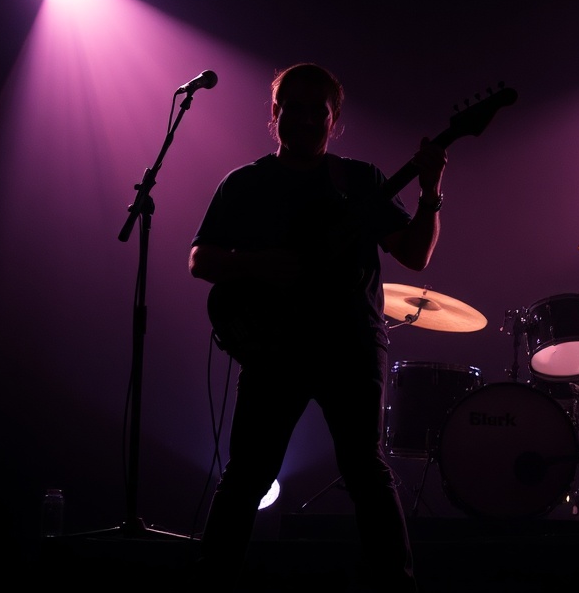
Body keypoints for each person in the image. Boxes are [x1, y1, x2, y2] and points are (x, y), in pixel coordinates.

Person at [189, 62, 446, 591]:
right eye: (295, 109)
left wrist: (430, 190)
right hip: (273, 345)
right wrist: (259, 265)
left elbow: (416, 255)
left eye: (318, 111)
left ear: (335, 121)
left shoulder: (362, 180)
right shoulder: (246, 183)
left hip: (349, 344)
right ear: (274, 115)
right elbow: (200, 259)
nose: (306, 119)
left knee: (366, 471)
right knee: (246, 476)